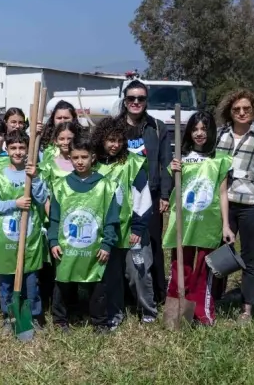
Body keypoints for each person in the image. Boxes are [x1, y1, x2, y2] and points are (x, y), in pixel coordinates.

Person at [164, 111, 233, 326]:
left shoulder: (219, 159)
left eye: (204, 129)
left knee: (204, 269)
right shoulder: (181, 160)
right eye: (195, 129)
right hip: (183, 223)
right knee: (180, 267)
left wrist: (226, 225)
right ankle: (176, 314)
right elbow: (175, 190)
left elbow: (222, 194)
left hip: (208, 223)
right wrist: (174, 170)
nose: (199, 133)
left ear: (211, 130)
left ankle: (201, 312)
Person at [48, 135, 120, 334]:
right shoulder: (61, 185)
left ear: (93, 158)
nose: (80, 161)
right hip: (66, 247)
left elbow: (111, 218)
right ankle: (61, 320)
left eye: (84, 157)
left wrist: (107, 243)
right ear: (70, 158)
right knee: (63, 283)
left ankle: (100, 322)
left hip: (95, 248)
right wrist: (53, 240)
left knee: (97, 286)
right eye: (76, 157)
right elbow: (54, 217)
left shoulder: (105, 185)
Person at [214, 89, 254, 323]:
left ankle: (247, 308)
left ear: (253, 110)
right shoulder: (221, 136)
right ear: (230, 111)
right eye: (236, 109)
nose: (241, 112)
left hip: (251, 205)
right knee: (219, 252)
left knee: (251, 257)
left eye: (246, 108)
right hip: (223, 204)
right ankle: (215, 298)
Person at [91, 118, 156, 326]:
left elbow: (143, 197)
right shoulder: (94, 166)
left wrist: (138, 226)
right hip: (107, 232)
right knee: (111, 277)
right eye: (110, 140)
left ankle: (148, 311)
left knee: (138, 272)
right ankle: (114, 314)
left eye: (119, 140)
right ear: (102, 140)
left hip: (132, 229)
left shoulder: (133, 163)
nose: (115, 145)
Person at [0, 130, 48, 334]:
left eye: (22, 148)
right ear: (7, 149)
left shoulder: (34, 174)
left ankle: (35, 317)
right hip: (4, 240)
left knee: (32, 283)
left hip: (29, 239)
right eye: (14, 148)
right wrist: (16, 203)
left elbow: (41, 198)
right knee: (5, 284)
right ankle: (8, 317)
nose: (18, 151)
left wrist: (35, 178)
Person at [118, 80, 172, 304]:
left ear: (146, 101)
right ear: (125, 100)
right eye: (132, 98)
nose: (136, 102)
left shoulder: (157, 127)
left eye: (141, 98)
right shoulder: (115, 126)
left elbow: (166, 163)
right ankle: (124, 293)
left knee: (153, 244)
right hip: (121, 196)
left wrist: (166, 195)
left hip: (151, 195)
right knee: (122, 244)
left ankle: (158, 293)